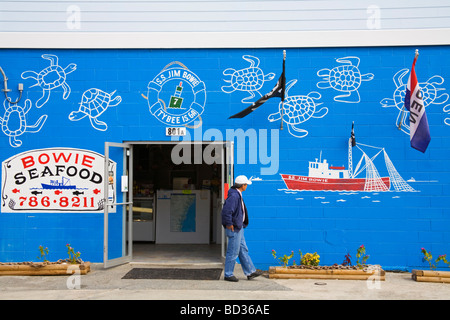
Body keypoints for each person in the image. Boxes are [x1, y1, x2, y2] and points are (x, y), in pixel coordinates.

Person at [221, 175, 262, 282]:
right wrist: (229, 224)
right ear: (243, 185)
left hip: (238, 227)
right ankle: (228, 274)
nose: (247, 186)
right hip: (234, 228)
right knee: (233, 251)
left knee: (243, 249)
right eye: (246, 184)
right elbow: (226, 211)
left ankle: (250, 272)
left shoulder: (237, 194)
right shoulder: (234, 196)